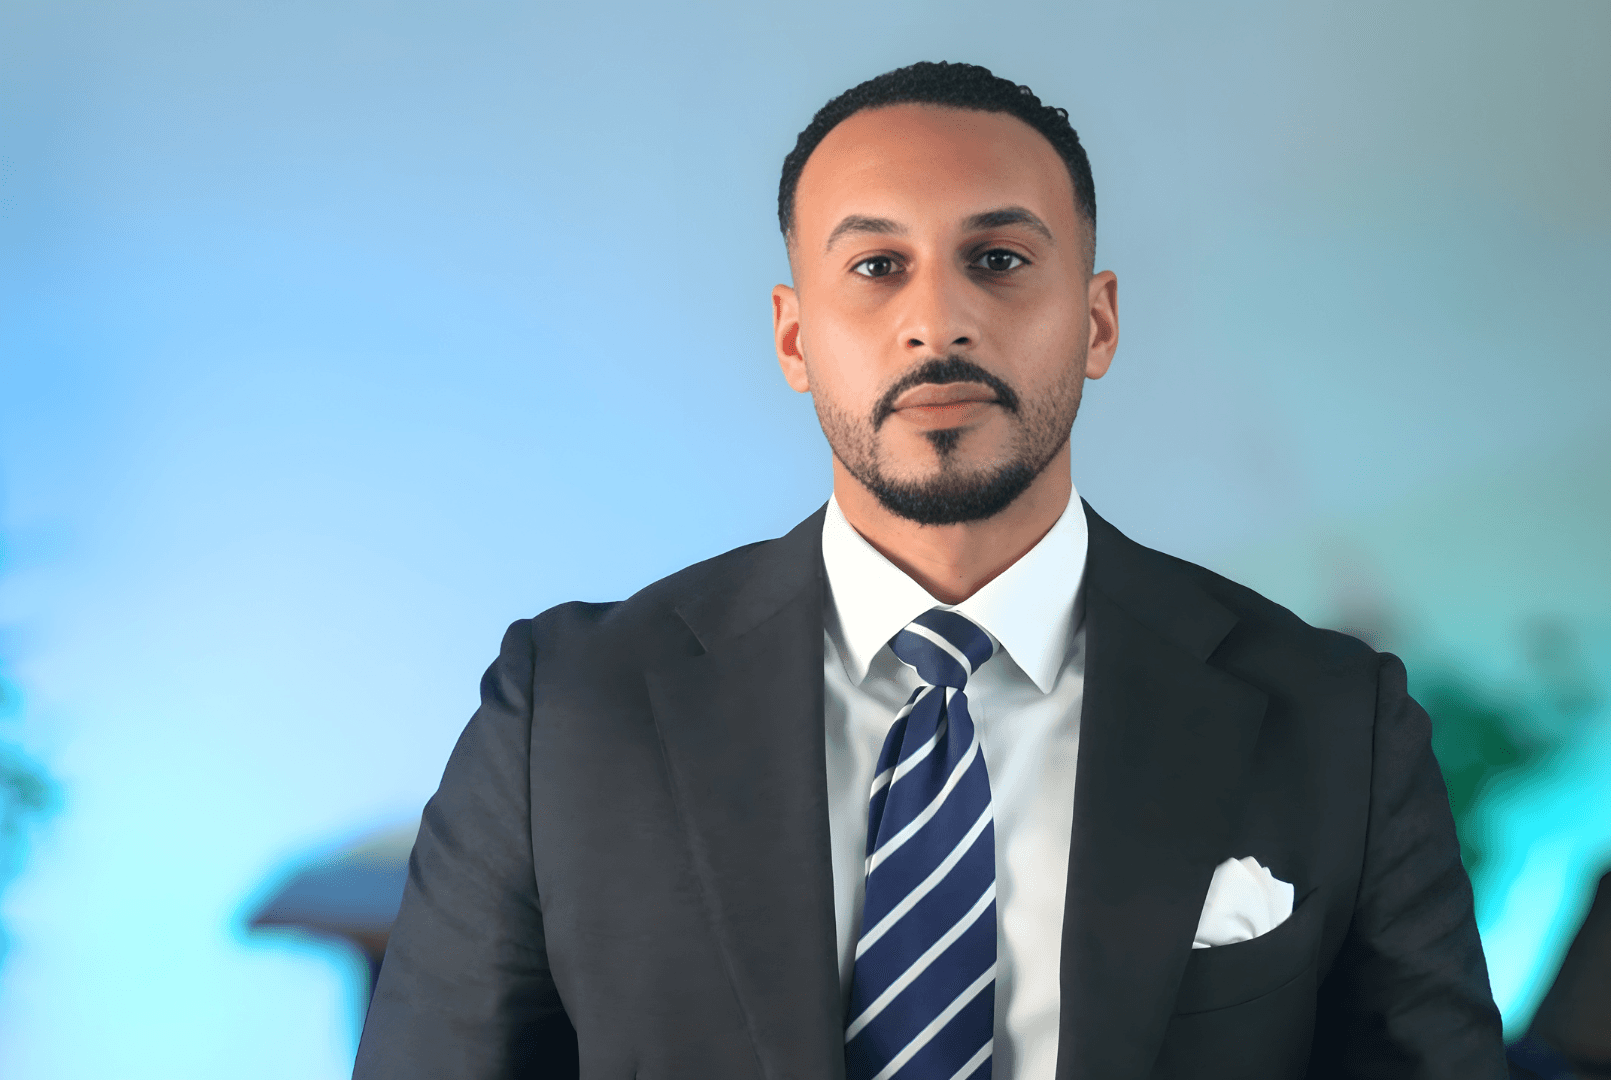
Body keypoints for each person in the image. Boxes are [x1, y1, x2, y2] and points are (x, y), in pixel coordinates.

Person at [353, 61, 1506, 1080]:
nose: (938, 319)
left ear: (1096, 323)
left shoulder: (1332, 720)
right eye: (876, 266)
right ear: (795, 337)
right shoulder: (566, 711)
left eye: (998, 260)